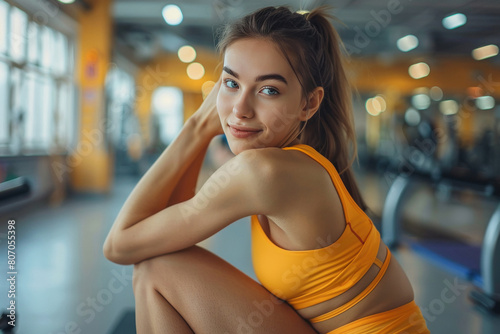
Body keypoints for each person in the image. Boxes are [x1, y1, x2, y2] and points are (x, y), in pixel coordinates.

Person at [103, 6, 430, 334]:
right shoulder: (289, 160)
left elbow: (119, 244)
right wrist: (202, 128)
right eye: (231, 83)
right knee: (155, 263)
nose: (240, 109)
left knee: (156, 267)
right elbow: (162, 230)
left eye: (268, 90)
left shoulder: (264, 172)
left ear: (309, 104)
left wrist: (197, 126)